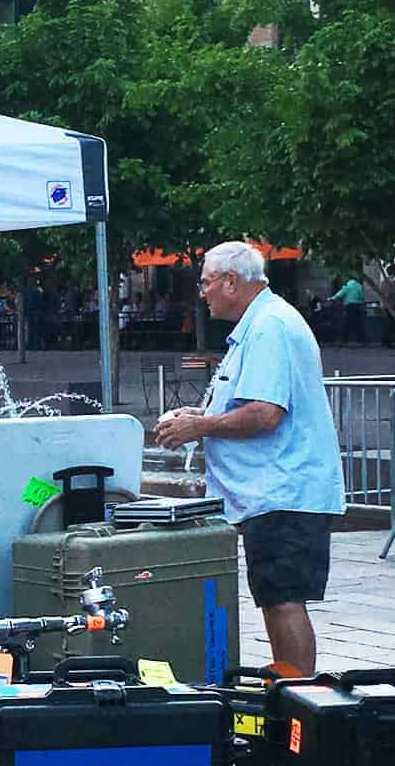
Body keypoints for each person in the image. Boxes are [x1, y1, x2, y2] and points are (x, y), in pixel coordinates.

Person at [153, 242, 345, 676]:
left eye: (205, 283)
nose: (201, 293)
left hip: (283, 491)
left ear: (231, 282)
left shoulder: (269, 327)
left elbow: (265, 413)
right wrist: (202, 416)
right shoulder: (259, 324)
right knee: (276, 599)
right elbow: (252, 403)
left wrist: (200, 428)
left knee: (283, 600)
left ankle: (298, 696)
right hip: (272, 493)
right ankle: (290, 691)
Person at [334, 276, 365, 345]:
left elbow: (340, 294)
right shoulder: (359, 286)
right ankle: (361, 340)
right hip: (357, 306)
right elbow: (362, 296)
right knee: (358, 323)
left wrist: (333, 298)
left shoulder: (347, 285)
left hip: (349, 306)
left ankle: (344, 340)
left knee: (347, 323)